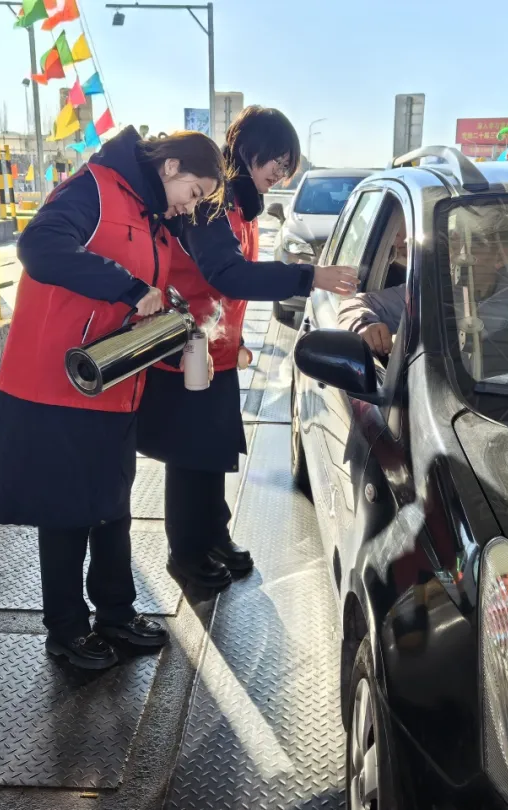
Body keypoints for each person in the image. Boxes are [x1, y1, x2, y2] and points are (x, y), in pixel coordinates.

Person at [0, 126, 226, 671]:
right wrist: (128, 287)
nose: (186, 208)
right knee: (66, 512)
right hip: (60, 385)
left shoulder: (150, 217)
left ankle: (115, 613)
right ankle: (66, 627)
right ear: (171, 167)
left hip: (113, 386)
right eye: (193, 192)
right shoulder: (94, 189)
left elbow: (146, 301)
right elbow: (38, 246)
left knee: (111, 509)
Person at [136, 106, 358, 590]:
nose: (279, 174)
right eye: (276, 162)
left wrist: (234, 343)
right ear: (248, 149)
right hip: (184, 345)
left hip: (215, 348)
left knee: (213, 449)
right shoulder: (212, 201)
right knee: (191, 455)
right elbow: (226, 274)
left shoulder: (245, 206)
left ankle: (213, 534)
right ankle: (186, 554)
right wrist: (308, 275)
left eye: (286, 166)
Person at [339, 210, 508, 371]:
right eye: (455, 239)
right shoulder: (428, 293)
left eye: (474, 242)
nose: (459, 250)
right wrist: (364, 324)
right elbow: (353, 304)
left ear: (500, 257)